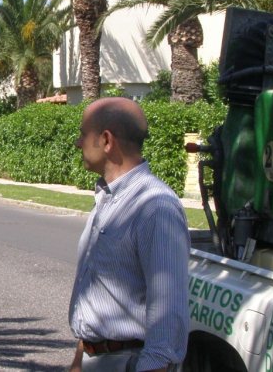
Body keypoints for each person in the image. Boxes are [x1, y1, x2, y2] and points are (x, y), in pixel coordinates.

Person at [68, 97, 189, 372]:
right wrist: (79, 360)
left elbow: (167, 324)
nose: (77, 143)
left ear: (107, 140)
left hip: (128, 363)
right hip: (95, 360)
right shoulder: (107, 199)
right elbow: (98, 294)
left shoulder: (155, 207)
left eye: (82, 134)